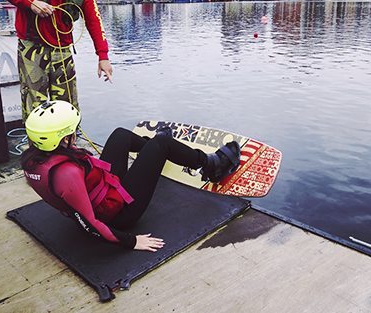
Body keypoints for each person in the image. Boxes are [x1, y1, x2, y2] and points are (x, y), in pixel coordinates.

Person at [21, 101, 241, 251]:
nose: (75, 134)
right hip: (119, 215)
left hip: (104, 192)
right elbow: (90, 224)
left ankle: (155, 150)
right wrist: (132, 241)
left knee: (120, 135)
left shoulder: (34, 161)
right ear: (60, 139)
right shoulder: (66, 175)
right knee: (162, 143)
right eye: (72, 132)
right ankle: (212, 167)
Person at [0, 0, 112, 121]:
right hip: (31, 47)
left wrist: (103, 56)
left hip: (63, 49)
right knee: (35, 105)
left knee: (68, 105)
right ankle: (37, 150)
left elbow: (94, 19)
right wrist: (31, 3)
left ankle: (69, 148)